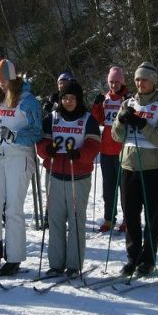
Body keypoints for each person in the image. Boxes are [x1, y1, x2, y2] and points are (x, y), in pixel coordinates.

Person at [0, 58, 42, 276]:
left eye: (4, 80)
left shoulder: (27, 100)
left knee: (13, 208)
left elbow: (36, 131)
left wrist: (15, 136)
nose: (1, 84)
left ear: (13, 78)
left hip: (19, 157)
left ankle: (13, 258)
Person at [111, 62, 158, 277]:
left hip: (153, 168)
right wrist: (121, 120)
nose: (140, 83)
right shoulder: (128, 103)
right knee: (130, 215)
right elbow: (116, 136)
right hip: (129, 165)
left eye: (144, 79)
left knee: (152, 216)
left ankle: (148, 258)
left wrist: (142, 125)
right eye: (137, 79)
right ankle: (133, 256)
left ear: (153, 81)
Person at [37, 80, 101, 278]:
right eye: (65, 97)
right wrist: (48, 150)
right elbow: (42, 143)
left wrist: (80, 155)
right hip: (55, 175)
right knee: (55, 221)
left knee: (75, 221)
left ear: (78, 99)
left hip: (78, 176)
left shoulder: (88, 119)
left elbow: (93, 146)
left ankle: (73, 264)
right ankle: (56, 263)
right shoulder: (52, 118)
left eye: (72, 98)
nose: (68, 101)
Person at [90, 66, 129, 233]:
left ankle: (128, 218)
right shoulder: (106, 99)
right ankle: (109, 218)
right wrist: (97, 105)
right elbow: (98, 120)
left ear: (122, 82)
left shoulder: (128, 99)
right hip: (106, 148)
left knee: (125, 188)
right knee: (108, 188)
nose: (114, 85)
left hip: (123, 149)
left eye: (117, 82)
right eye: (111, 82)